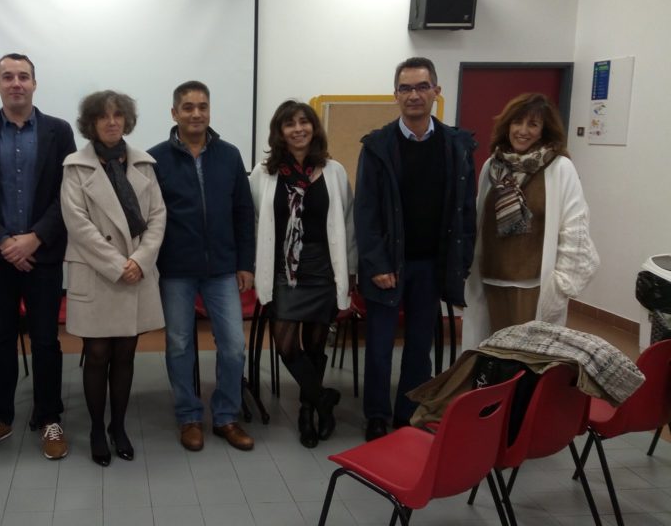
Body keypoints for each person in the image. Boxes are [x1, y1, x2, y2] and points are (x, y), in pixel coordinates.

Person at [0, 53, 76, 460]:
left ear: (35, 84)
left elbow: (69, 193)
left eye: (23, 76)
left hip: (43, 257)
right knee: (0, 339)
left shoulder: (59, 131)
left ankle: (50, 417)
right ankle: (0, 416)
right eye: (7, 77)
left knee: (45, 340)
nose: (16, 83)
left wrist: (35, 238)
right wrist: (5, 242)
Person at [354, 57, 476, 441]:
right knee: (378, 345)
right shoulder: (377, 146)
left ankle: (407, 413)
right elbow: (366, 211)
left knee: (420, 345)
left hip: (431, 265)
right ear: (395, 96)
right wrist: (375, 263)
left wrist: (461, 261)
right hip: (388, 265)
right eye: (406, 88)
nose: (414, 95)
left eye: (422, 87)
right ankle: (376, 413)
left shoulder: (457, 145)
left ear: (436, 92)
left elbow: (466, 208)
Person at [148, 81, 256, 452]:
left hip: (223, 268)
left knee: (233, 347)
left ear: (210, 111)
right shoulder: (154, 159)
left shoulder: (229, 155)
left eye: (203, 106)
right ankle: (189, 416)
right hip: (175, 268)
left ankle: (226, 416)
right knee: (179, 345)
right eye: (188, 107)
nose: (196, 113)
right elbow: (148, 218)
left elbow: (243, 212)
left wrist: (245, 263)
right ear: (174, 112)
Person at [61, 90, 167, 466]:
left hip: (136, 270)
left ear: (126, 121)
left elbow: (157, 218)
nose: (111, 122)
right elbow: (78, 224)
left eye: (117, 116)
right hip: (97, 271)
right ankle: (95, 427)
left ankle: (118, 426)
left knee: (125, 353)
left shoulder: (144, 164)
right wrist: (118, 263)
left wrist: (139, 259)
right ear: (90, 123)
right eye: (103, 117)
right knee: (97, 353)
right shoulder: (75, 166)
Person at [249, 100, 356, 448]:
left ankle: (307, 412)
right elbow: (255, 223)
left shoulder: (334, 171)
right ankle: (323, 397)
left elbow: (348, 223)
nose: (298, 129)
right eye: (289, 124)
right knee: (285, 344)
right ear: (279, 132)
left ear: (314, 127)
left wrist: (350, 272)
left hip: (323, 268)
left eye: (304, 122)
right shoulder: (263, 174)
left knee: (313, 345)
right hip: (283, 269)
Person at [462, 93, 599, 349]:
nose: (523, 131)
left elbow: (575, 230)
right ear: (507, 126)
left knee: (529, 359)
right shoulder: (493, 166)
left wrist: (560, 287)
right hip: (491, 281)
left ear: (544, 131)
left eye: (533, 124)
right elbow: (480, 223)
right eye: (517, 122)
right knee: (493, 356)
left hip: (533, 287)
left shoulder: (559, 168)